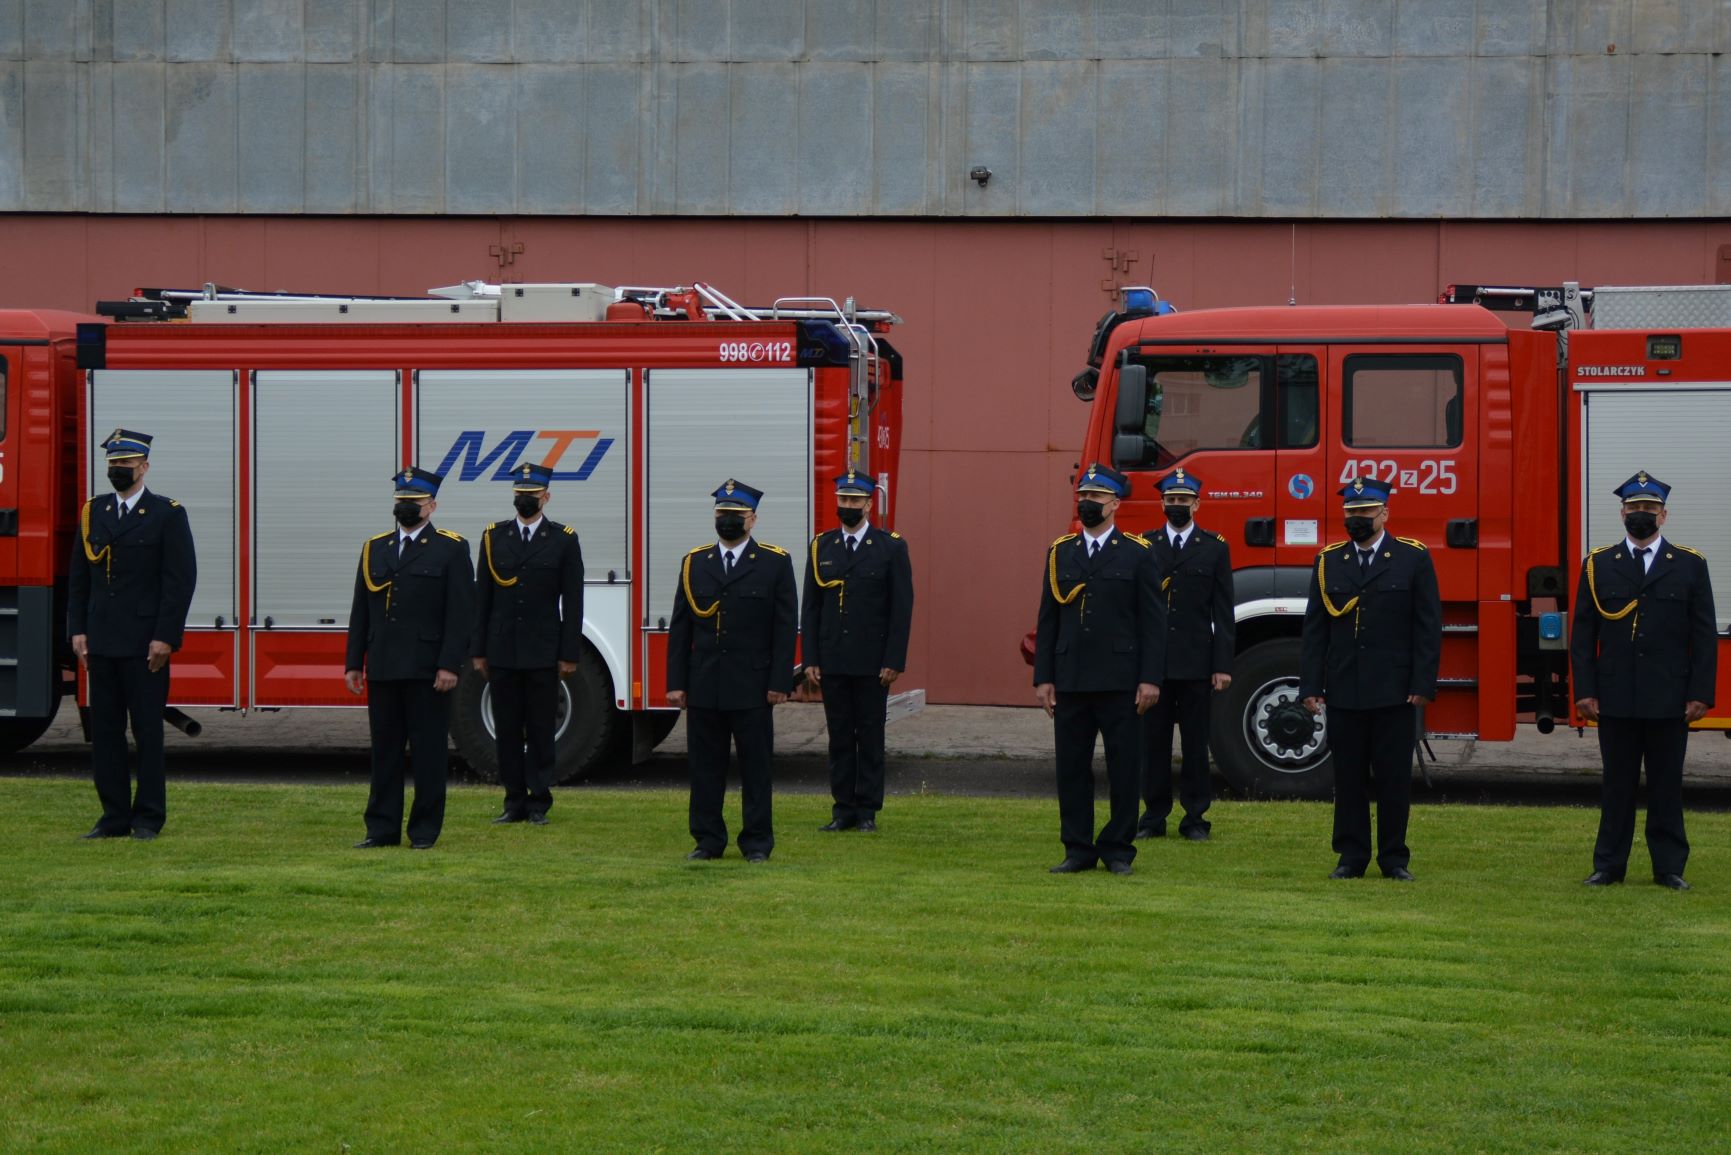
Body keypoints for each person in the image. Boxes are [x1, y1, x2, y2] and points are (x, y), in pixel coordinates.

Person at [1570, 471, 1716, 891]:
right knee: (1616, 786)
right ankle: (1608, 866)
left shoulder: (1689, 565)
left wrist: (1700, 693)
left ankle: (1669, 868)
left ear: (1663, 515)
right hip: (1615, 695)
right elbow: (1583, 635)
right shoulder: (1599, 565)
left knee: (1667, 786)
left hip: (1669, 696)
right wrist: (1585, 690)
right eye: (1634, 508)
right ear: (1621, 513)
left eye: (1649, 508)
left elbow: (1703, 636)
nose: (1641, 514)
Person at [1300, 477, 1440, 881]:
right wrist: (1311, 685)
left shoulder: (1412, 558)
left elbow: (1427, 627)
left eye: (1364, 511)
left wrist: (1422, 684)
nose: (1356, 518)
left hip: (1394, 691)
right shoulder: (1329, 561)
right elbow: (1315, 630)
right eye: (1351, 512)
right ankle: (1351, 856)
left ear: (1384, 513)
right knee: (1348, 779)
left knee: (1394, 780)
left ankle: (1394, 858)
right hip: (1345, 689)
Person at [1033, 463, 1164, 875]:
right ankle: (1077, 848)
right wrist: (1043, 677)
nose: (1087, 503)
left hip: (1120, 679)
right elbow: (1048, 619)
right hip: (1071, 677)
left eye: (1096, 497)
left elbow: (1153, 623)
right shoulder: (1060, 552)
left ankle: (1118, 849)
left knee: (1124, 768)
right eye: (1083, 496)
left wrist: (1150, 678)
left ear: (1114, 503)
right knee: (1072, 767)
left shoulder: (1138, 553)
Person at [68, 429, 197, 840]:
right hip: (102, 640)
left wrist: (166, 637)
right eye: (113, 464)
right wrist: (77, 629)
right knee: (106, 733)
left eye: (125, 463)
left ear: (144, 467)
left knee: (147, 731)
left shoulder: (166, 514)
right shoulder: (94, 512)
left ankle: (148, 818)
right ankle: (113, 817)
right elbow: (79, 578)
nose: (118, 470)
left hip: (145, 644)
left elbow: (179, 582)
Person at [666, 480, 797, 862]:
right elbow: (681, 628)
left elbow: (784, 628)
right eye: (722, 513)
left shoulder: (774, 563)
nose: (727, 520)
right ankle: (707, 840)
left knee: (756, 769)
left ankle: (756, 842)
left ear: (752, 519)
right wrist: (676, 683)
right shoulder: (695, 562)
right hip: (705, 683)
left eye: (736, 515)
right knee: (704, 769)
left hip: (752, 685)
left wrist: (780, 682)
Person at [345, 467, 474, 850]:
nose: (405, 507)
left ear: (431, 506)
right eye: (401, 501)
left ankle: (424, 831)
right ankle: (381, 829)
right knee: (384, 753)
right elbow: (361, 610)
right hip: (384, 666)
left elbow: (460, 614)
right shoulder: (375, 548)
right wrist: (353, 663)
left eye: (413, 501)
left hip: (427, 669)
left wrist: (450, 664)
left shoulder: (450, 548)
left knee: (428, 753)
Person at [471, 462, 586, 826]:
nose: (524, 499)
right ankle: (513, 800)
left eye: (531, 495)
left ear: (545, 497)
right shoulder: (494, 537)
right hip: (503, 650)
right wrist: (479, 650)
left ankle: (539, 801)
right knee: (506, 729)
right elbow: (483, 599)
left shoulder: (563, 539)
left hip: (542, 650)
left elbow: (574, 601)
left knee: (540, 729)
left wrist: (568, 653)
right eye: (520, 494)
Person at [802, 471, 914, 834]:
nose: (847, 506)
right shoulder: (822, 546)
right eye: (843, 500)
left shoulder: (890, 547)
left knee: (869, 737)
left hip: (872, 662)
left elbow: (901, 609)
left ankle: (867, 810)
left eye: (854, 500)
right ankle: (842, 810)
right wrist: (811, 658)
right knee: (838, 736)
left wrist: (893, 660)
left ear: (868, 504)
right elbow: (812, 609)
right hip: (833, 659)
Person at [1138, 468, 1234, 842]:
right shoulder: (1146, 546)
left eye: (1183, 500)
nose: (1177, 505)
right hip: (1156, 665)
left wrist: (1222, 665)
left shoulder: (1214, 548)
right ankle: (1153, 817)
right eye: (1171, 500)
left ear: (1197, 504)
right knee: (1153, 745)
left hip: (1196, 663)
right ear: (1162, 503)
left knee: (1195, 745)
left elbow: (1222, 612)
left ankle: (1195, 819)